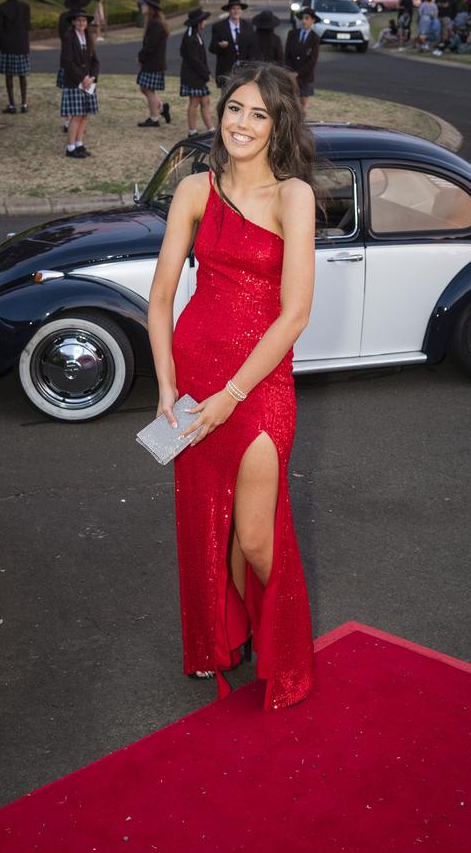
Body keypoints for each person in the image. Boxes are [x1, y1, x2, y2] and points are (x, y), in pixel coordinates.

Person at [147, 61, 318, 710]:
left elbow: (294, 313)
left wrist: (233, 395)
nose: (242, 123)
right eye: (234, 109)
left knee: (252, 535)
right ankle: (231, 640)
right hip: (193, 383)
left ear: (279, 125)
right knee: (205, 523)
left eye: (259, 113)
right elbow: (161, 298)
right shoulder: (195, 190)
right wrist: (166, 388)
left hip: (258, 388)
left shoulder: (292, 196)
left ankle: (286, 646)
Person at [59, 8, 99, 158]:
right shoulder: (69, 37)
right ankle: (70, 148)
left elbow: (95, 61)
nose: (81, 23)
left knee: (84, 115)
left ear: (87, 23)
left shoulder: (88, 37)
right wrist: (83, 78)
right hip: (75, 81)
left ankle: (79, 144)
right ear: (73, 22)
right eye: (78, 20)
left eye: (84, 20)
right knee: (76, 116)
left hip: (89, 82)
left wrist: (92, 77)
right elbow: (67, 62)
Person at [57, 0, 93, 132]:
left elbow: (62, 36)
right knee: (77, 91)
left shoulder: (63, 17)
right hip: (79, 60)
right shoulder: (82, 16)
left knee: (69, 91)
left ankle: (69, 121)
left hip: (67, 60)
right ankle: (73, 122)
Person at [179, 7, 215, 137]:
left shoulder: (195, 34)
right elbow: (194, 60)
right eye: (204, 20)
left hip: (198, 76)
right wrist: (206, 73)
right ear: (198, 22)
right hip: (193, 76)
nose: (205, 22)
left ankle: (211, 130)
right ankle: (192, 131)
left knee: (205, 102)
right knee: (194, 102)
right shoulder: (190, 38)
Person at [136, 0, 171, 128]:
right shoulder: (154, 22)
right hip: (153, 62)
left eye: (144, 5)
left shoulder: (156, 24)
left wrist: (140, 58)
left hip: (153, 63)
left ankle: (154, 118)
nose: (142, 6)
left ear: (150, 8)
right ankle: (162, 108)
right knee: (144, 88)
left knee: (149, 90)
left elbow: (150, 47)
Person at [0, 0, 30, 114]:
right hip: (22, 45)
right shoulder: (25, 6)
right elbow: (28, 26)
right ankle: (24, 104)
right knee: (23, 76)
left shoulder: (2, 7)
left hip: (7, 46)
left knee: (9, 76)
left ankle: (11, 105)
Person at [209, 0, 255, 86]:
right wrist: (220, 46)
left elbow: (252, 47)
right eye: (233, 9)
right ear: (229, 11)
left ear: (241, 10)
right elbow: (212, 48)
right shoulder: (219, 27)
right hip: (226, 71)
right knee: (226, 97)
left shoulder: (248, 26)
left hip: (244, 71)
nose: (236, 11)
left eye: (238, 8)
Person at [284, 7, 320, 110]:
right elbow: (287, 54)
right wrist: (290, 71)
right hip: (290, 75)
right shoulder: (292, 34)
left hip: (306, 76)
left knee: (303, 102)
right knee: (292, 101)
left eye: (307, 18)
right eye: (302, 18)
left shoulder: (315, 38)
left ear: (312, 20)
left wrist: (298, 73)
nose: (304, 21)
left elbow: (312, 60)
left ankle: (302, 123)